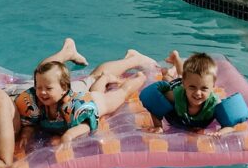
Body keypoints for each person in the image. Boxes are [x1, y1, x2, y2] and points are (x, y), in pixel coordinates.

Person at [14, 42, 151, 146]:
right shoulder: (33, 102)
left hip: (96, 102)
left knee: (121, 93)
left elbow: (86, 124)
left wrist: (69, 135)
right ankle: (104, 78)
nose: (42, 92)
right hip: (86, 96)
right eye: (39, 87)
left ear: (64, 88)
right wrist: (27, 134)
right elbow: (30, 123)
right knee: (95, 82)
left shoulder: (76, 106)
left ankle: (140, 76)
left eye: (48, 89)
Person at [145, 51, 235, 135]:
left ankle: (176, 58)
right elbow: (154, 102)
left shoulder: (215, 103)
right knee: (169, 79)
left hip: (187, 82)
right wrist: (158, 126)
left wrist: (220, 132)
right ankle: (169, 68)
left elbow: (229, 126)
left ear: (213, 86)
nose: (198, 93)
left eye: (204, 88)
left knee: (183, 76)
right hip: (179, 86)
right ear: (184, 85)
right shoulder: (175, 95)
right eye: (193, 88)